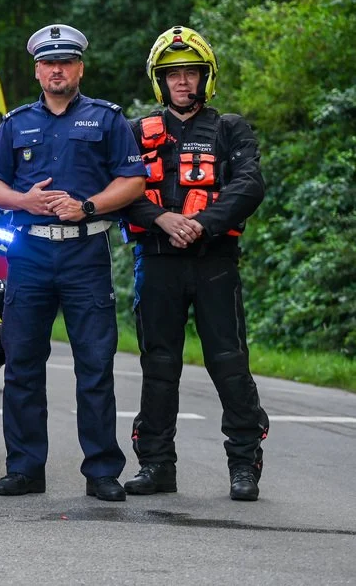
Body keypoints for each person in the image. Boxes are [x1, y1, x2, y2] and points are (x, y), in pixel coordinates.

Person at [0, 24, 146, 502]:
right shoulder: (16, 122)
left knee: (95, 364)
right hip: (29, 253)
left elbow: (132, 181)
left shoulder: (107, 119)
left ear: (79, 68)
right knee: (23, 364)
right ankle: (25, 468)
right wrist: (22, 201)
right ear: (37, 70)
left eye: (66, 62)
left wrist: (88, 206)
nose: (57, 70)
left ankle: (101, 471)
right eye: (49, 63)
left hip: (84, 253)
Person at [121, 26, 269, 501]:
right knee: (159, 365)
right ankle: (157, 465)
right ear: (159, 82)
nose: (182, 82)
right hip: (158, 261)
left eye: (191, 73)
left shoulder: (231, 128)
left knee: (228, 362)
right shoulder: (136, 132)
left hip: (214, 262)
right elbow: (120, 192)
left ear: (207, 78)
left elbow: (249, 186)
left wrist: (201, 223)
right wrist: (163, 219)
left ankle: (244, 464)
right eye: (173, 75)